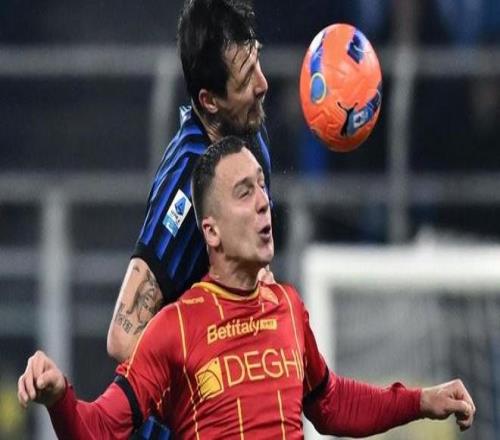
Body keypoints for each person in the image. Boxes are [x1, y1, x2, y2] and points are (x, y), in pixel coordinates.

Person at [18, 136, 475, 439]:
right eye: (244, 192)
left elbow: (331, 401)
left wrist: (420, 400)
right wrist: (59, 397)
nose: (263, 203)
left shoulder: (287, 306)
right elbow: (99, 428)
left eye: (262, 187)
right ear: (211, 231)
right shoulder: (175, 329)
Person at [106, 0, 272, 363]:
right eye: (246, 79)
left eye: (257, 60)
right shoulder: (189, 179)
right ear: (209, 101)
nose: (263, 84)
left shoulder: (247, 131)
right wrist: (210, 369)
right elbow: (122, 338)